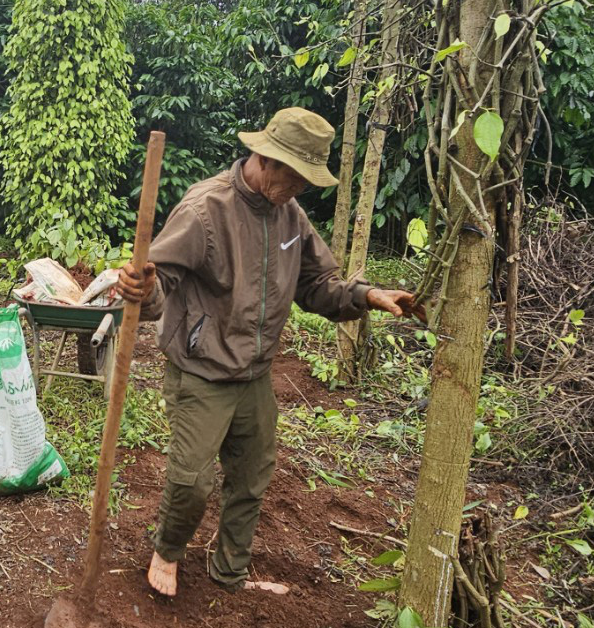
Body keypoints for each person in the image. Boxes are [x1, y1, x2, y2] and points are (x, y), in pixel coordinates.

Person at [117, 107, 420, 597]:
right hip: (203, 370)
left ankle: (230, 571)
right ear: (265, 158)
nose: (300, 190)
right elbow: (158, 281)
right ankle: (167, 552)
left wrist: (366, 296)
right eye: (295, 178)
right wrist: (141, 288)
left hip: (255, 374)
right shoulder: (204, 210)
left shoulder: (290, 216)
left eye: (306, 182)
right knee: (192, 481)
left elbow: (318, 285)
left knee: (252, 476)